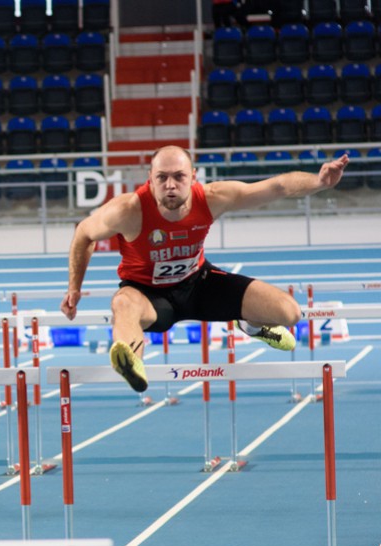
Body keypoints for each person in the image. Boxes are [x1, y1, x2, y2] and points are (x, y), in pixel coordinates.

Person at [60, 145, 348, 394]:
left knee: (291, 313)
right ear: (150, 179)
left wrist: (319, 182)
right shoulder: (127, 210)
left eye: (178, 177)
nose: (170, 185)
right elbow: (84, 234)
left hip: (200, 284)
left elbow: (276, 187)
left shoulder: (212, 197)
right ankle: (133, 362)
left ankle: (250, 323)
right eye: (162, 178)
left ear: (193, 177)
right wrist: (74, 288)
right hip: (148, 295)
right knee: (122, 303)